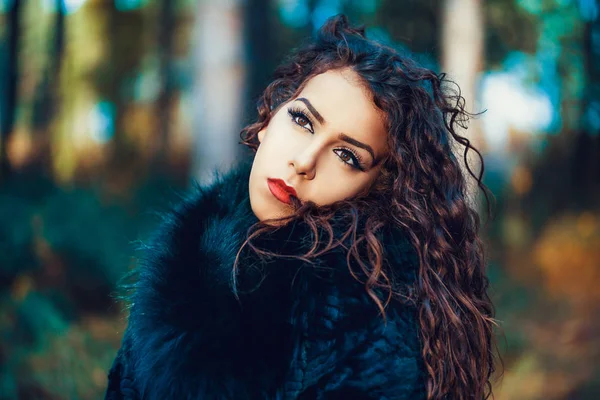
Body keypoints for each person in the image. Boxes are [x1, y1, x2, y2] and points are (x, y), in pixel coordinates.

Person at [104, 14, 501, 400]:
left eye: (347, 156)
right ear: (268, 120)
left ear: (377, 189)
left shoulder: (369, 316)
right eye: (303, 121)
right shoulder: (186, 252)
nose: (306, 161)